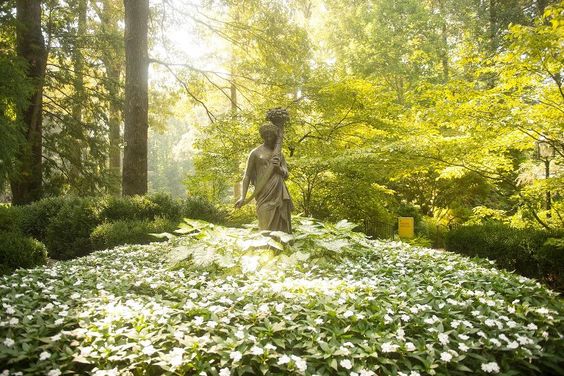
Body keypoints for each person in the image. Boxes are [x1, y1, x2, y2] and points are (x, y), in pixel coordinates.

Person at [235, 122, 293, 233]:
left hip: (279, 192)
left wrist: (278, 169)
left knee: (282, 228)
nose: (268, 137)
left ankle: (282, 249)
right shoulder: (255, 153)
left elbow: (286, 174)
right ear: (262, 136)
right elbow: (247, 175)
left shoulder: (279, 154)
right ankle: (264, 249)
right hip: (263, 194)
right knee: (265, 227)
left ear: (275, 137)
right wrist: (243, 196)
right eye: (266, 135)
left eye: (271, 135)